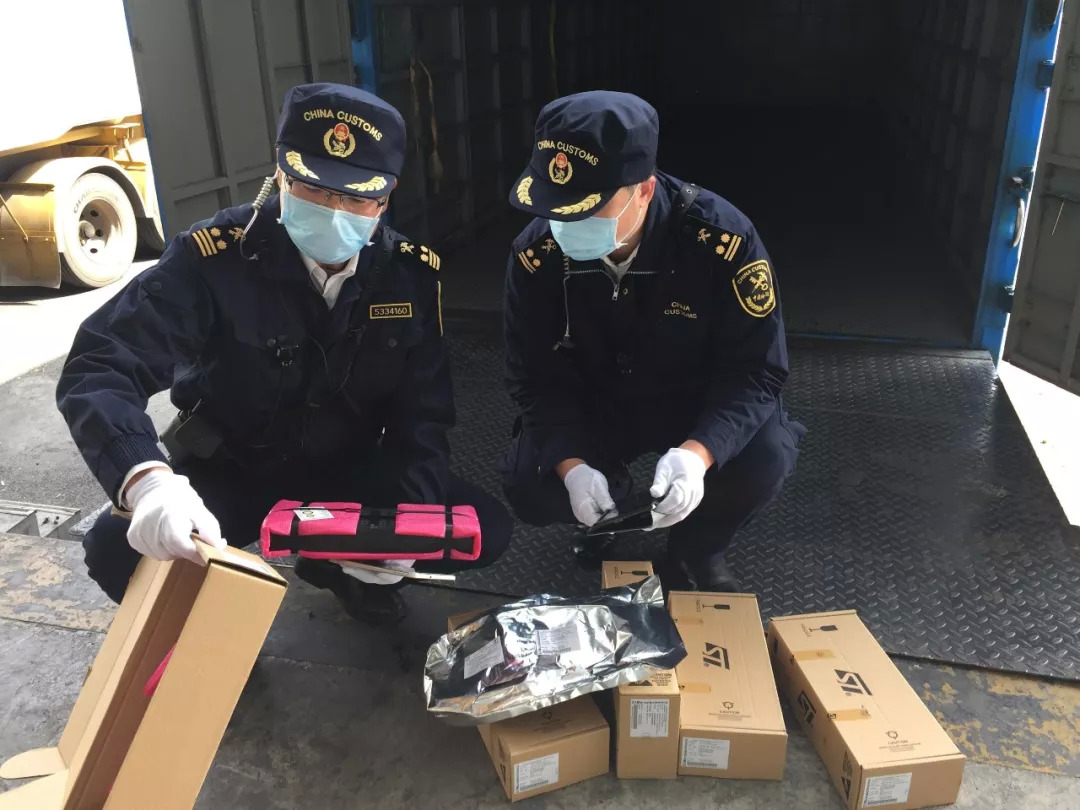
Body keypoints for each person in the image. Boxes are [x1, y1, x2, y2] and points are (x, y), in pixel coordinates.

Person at [57, 83, 512, 621]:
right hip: (236, 466)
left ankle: (337, 566)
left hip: (347, 468)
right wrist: (146, 479)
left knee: (480, 529)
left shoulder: (407, 275)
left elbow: (423, 416)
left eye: (356, 197)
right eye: (314, 189)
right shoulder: (214, 258)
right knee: (115, 548)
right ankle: (213, 639)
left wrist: (410, 525)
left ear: (385, 198)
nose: (334, 210)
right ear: (281, 177)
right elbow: (103, 362)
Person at [500, 91, 805, 592]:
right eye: (557, 207)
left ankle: (697, 547)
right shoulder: (536, 256)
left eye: (587, 209)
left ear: (642, 190)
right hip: (598, 403)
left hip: (691, 399)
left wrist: (698, 455)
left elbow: (757, 370)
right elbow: (533, 377)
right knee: (530, 481)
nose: (565, 225)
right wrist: (573, 468)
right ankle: (604, 518)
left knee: (764, 457)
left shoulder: (722, 240)